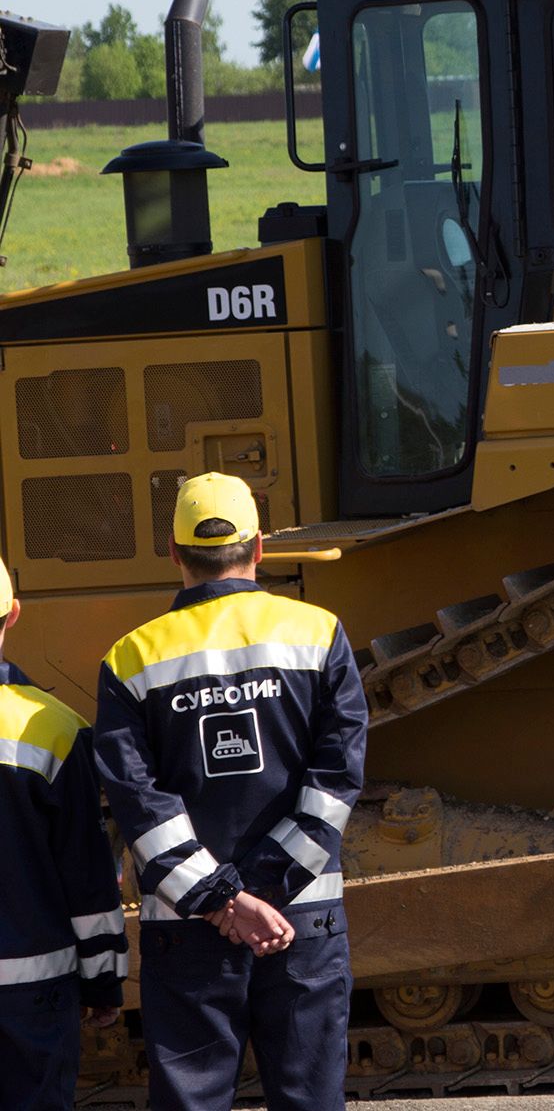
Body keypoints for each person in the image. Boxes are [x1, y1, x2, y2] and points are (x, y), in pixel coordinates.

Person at [94, 473, 366, 1111]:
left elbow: (137, 800)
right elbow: (336, 780)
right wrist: (264, 894)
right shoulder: (319, 634)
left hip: (187, 932)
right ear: (260, 547)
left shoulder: (131, 660)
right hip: (301, 923)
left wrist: (224, 902)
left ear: (174, 553)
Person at [0, 554, 127, 1110]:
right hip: (31, 995)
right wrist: (103, 980)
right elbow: (87, 876)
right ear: (14, 614)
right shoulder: (54, 729)